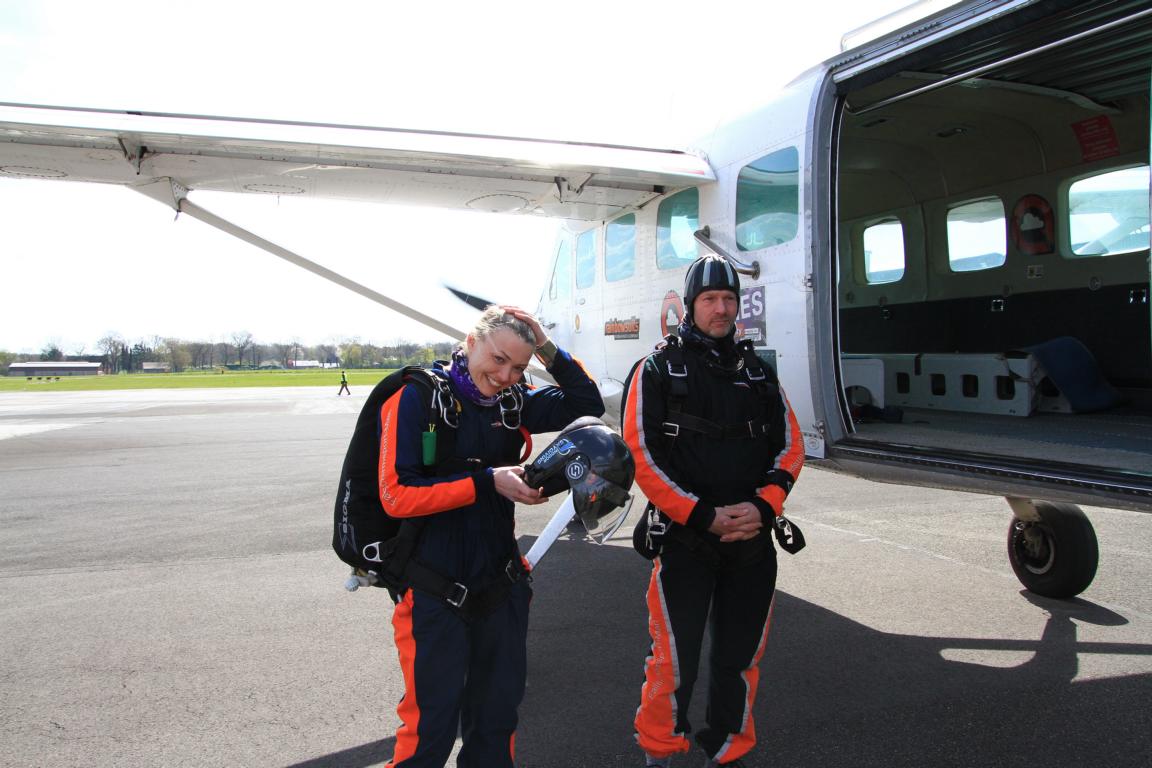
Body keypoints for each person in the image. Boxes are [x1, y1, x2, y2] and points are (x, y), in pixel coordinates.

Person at [379, 305, 604, 768]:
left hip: (500, 585)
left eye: (519, 367)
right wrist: (486, 482)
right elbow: (396, 495)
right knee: (429, 732)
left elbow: (587, 403)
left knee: (495, 724)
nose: (505, 376)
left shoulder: (512, 401)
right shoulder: (418, 397)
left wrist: (546, 346)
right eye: (498, 359)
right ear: (470, 342)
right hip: (434, 589)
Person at [623, 255, 805, 768]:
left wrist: (764, 506)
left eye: (729, 299)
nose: (721, 309)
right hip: (686, 541)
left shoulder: (759, 373)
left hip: (751, 542)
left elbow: (791, 447)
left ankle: (729, 750)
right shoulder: (656, 370)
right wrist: (701, 515)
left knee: (740, 659)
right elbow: (640, 455)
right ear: (690, 306)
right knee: (672, 660)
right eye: (709, 300)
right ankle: (659, 751)